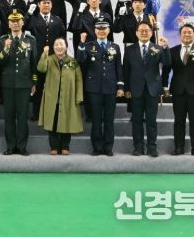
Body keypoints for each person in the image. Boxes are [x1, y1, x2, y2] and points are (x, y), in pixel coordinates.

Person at [162, 23, 194, 158]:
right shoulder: (172, 51)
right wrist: (165, 87)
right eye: (184, 32)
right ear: (180, 35)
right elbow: (166, 70)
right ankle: (178, 147)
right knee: (178, 121)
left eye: (189, 32)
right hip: (178, 91)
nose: (187, 34)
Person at [76, 20, 124, 156]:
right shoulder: (88, 46)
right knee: (96, 119)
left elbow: (118, 68)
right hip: (94, 88)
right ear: (95, 31)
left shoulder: (115, 47)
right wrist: (81, 42)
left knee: (109, 119)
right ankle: (97, 147)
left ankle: (108, 147)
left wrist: (120, 86)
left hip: (110, 87)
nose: (101, 31)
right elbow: (80, 59)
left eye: (104, 29)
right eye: (99, 29)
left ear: (108, 30)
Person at [123, 21, 171, 157]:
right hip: (135, 90)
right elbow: (126, 70)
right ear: (136, 33)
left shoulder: (158, 48)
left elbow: (167, 63)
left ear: (151, 33)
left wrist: (165, 48)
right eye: (141, 30)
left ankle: (152, 147)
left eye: (147, 30)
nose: (144, 33)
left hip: (152, 90)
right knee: (136, 121)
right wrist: (126, 89)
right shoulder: (129, 49)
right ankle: (138, 147)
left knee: (151, 121)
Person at [0, 8, 37, 156]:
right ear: (8, 24)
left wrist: (34, 82)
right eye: (12, 21)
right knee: (8, 117)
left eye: (17, 21)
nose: (15, 24)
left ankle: (21, 146)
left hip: (24, 83)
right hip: (8, 83)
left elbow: (33, 62)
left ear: (22, 22)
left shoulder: (30, 40)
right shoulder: (2, 40)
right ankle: (10, 146)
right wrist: (6, 48)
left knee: (22, 117)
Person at [37, 38, 83, 155]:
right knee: (52, 122)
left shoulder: (73, 61)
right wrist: (44, 54)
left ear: (66, 47)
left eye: (61, 44)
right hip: (52, 98)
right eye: (56, 44)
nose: (59, 47)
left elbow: (78, 80)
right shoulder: (49, 59)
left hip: (68, 98)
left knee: (67, 121)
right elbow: (41, 68)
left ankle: (65, 146)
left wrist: (79, 97)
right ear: (53, 47)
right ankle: (54, 146)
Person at [25, 0, 66, 121]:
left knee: (53, 87)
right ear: (39, 4)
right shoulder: (33, 19)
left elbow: (63, 38)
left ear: (51, 5)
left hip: (54, 58)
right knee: (37, 86)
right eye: (44, 3)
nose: (46, 5)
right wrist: (28, 13)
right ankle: (37, 113)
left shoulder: (57, 20)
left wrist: (62, 55)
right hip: (37, 59)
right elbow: (23, 26)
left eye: (49, 3)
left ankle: (52, 114)